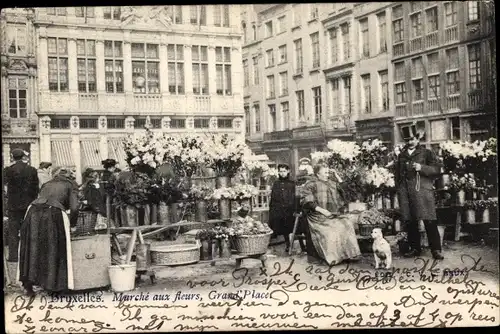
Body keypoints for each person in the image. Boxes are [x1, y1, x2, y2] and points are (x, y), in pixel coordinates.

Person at [18, 166, 79, 295]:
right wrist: (73, 225)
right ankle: (54, 286)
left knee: (33, 248)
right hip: (53, 213)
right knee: (55, 248)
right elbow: (74, 208)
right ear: (69, 176)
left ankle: (28, 284)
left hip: (32, 211)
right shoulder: (70, 185)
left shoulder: (46, 184)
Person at [395, 123, 444, 260]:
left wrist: (422, 167)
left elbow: (437, 169)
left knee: (429, 220)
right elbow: (397, 174)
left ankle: (436, 249)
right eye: (407, 140)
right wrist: (399, 189)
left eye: (412, 139)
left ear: (417, 139)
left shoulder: (426, 153)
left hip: (422, 192)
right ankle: (415, 248)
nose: (409, 142)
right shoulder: (402, 155)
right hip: (406, 192)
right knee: (410, 221)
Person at [300, 163, 361, 266]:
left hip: (333, 214)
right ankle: (333, 257)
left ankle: (347, 254)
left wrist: (338, 177)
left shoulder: (332, 183)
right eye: (325, 172)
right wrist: (323, 211)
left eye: (328, 172)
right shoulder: (311, 184)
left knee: (347, 224)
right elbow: (307, 201)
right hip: (317, 215)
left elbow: (346, 193)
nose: (327, 175)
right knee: (331, 229)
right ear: (318, 174)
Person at [3, 149, 39, 262]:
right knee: (29, 229)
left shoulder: (8, 170)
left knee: (13, 231)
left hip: (13, 205)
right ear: (23, 156)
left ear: (12, 157)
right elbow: (35, 188)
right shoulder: (32, 170)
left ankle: (13, 256)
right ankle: (29, 256)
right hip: (28, 204)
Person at [269, 164, 305, 253]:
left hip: (291, 209)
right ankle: (288, 245)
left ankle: (302, 246)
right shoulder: (276, 183)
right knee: (284, 228)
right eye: (280, 171)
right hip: (280, 210)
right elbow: (273, 197)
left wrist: (296, 209)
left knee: (297, 228)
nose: (282, 173)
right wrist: (273, 209)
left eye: (284, 171)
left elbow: (296, 197)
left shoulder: (292, 183)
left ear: (288, 171)